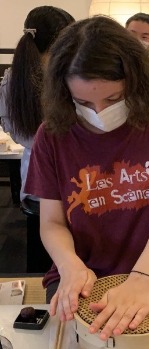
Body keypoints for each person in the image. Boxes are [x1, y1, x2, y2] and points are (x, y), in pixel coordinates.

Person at [25, 16, 149, 340]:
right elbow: (51, 222)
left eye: (112, 100)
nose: (98, 111)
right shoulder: (52, 135)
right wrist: (69, 266)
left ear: (136, 82)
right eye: (83, 102)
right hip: (81, 270)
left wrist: (141, 278)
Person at [0, 6, 75, 204]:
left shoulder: (11, 78)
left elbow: (15, 131)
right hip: (63, 179)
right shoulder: (65, 76)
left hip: (36, 182)